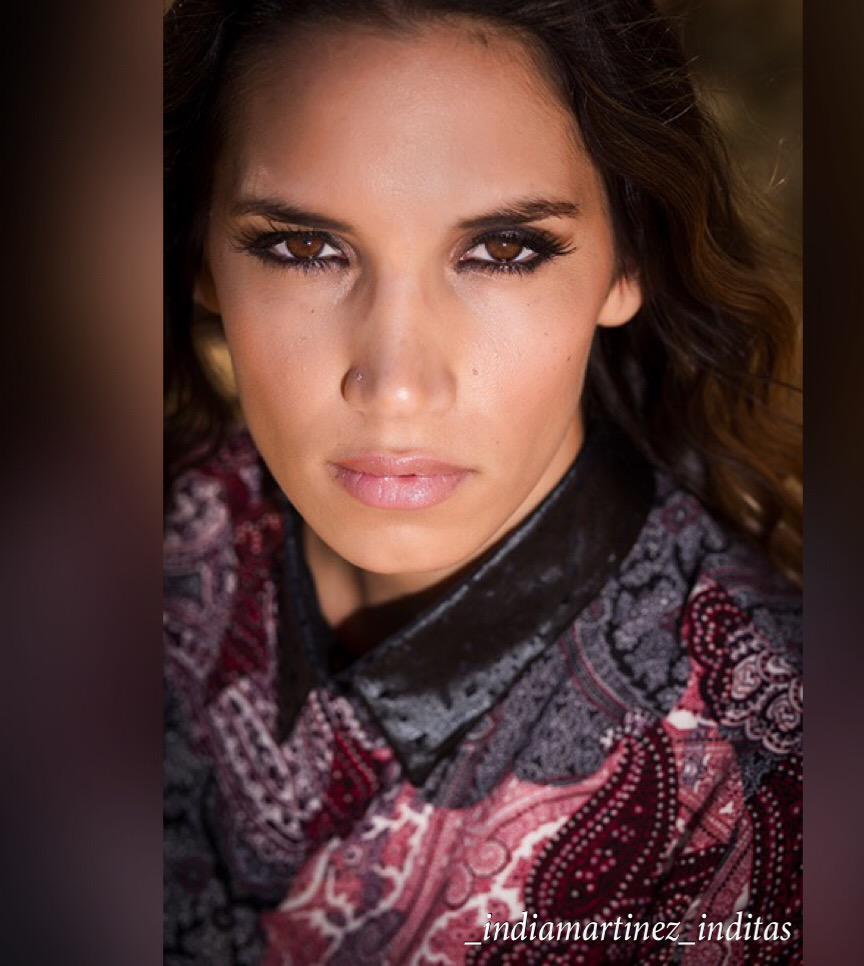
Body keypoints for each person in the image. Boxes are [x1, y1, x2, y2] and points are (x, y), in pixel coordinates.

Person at [163, 1, 803, 962]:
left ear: (629, 260)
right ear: (200, 252)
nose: (396, 385)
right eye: (303, 247)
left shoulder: (768, 770)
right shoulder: (153, 537)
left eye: (503, 250)